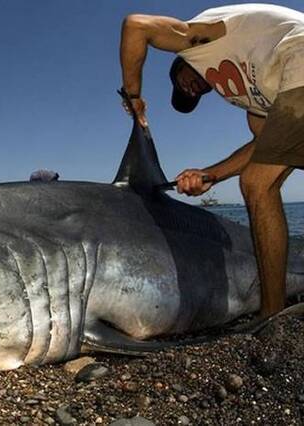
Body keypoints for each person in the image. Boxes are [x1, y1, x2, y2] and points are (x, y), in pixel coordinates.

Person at [119, 4, 304, 320]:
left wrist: (132, 96)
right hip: (290, 82)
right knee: (262, 176)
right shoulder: (250, 99)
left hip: (297, 52)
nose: (188, 90)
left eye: (182, 83)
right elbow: (264, 147)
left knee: (257, 184)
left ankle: (273, 318)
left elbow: (136, 26)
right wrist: (210, 175)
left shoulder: (197, 39)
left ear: (181, 64)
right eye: (190, 96)